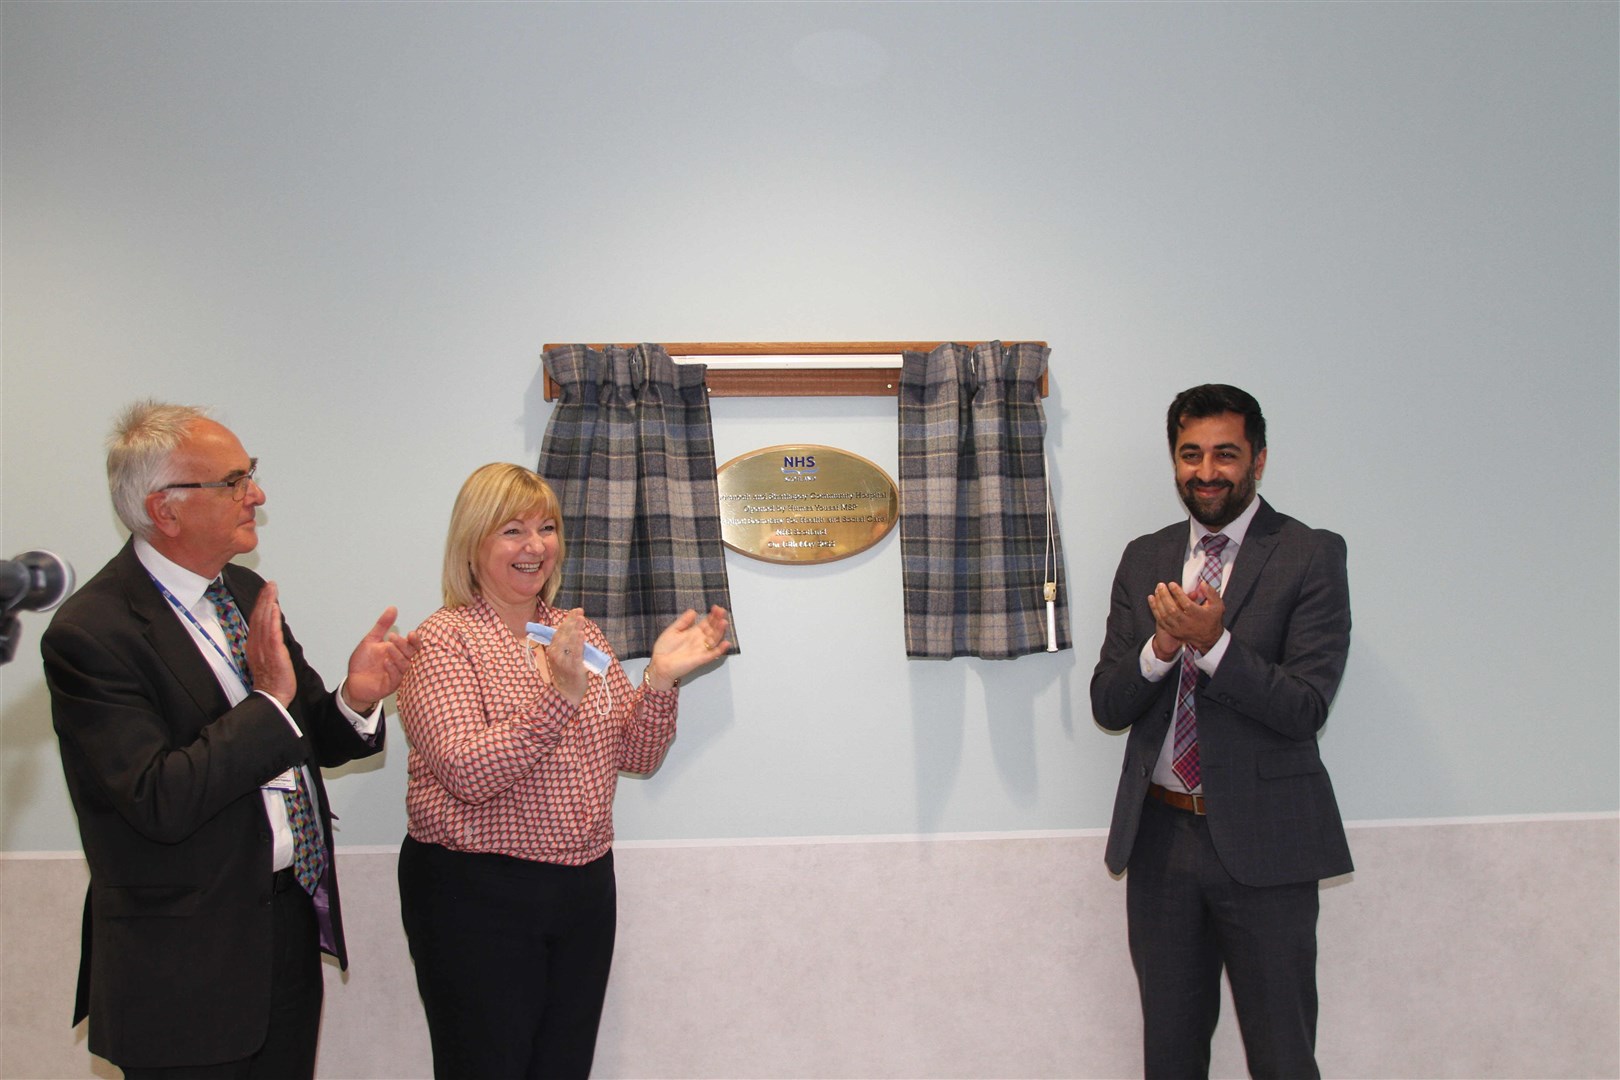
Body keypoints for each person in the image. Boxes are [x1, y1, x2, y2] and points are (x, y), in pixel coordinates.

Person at [41, 401, 421, 1079]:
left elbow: (304, 734)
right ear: (166, 509)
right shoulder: (92, 634)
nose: (258, 494)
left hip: (283, 931)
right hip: (181, 971)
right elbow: (158, 797)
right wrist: (269, 703)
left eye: (252, 474)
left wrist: (356, 697)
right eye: (234, 480)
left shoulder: (241, 591)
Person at [395, 462, 731, 1080]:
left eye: (546, 527)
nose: (535, 546)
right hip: (476, 892)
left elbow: (636, 755)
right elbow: (466, 771)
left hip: (581, 890)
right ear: (473, 543)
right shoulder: (443, 641)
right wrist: (559, 697)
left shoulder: (574, 630)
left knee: (562, 1066)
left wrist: (658, 681)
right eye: (512, 530)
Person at [1090, 384, 1353, 1079]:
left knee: (1282, 1056)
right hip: (1160, 844)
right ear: (1174, 461)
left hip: (1270, 846)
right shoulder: (1144, 558)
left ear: (1259, 461)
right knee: (1170, 1058)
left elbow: (1304, 708)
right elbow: (1108, 703)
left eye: (1226, 454)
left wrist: (1214, 645)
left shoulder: (1310, 555)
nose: (1207, 471)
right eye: (1190, 454)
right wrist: (1163, 650)